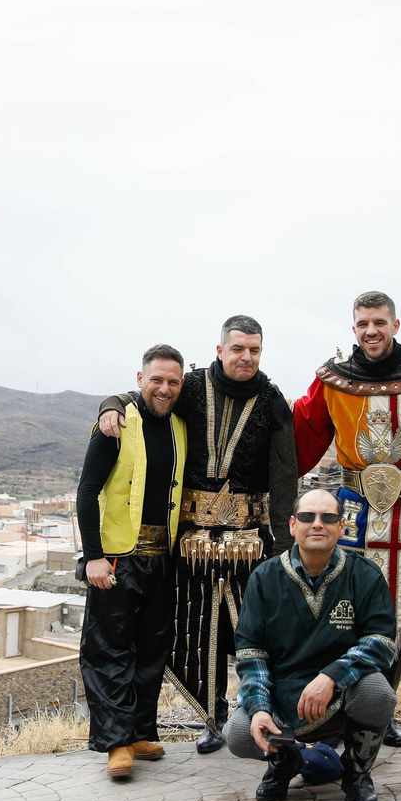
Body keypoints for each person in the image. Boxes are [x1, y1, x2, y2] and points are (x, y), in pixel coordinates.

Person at [95, 315, 297, 754]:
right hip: (191, 542)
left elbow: (285, 476)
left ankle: (258, 712)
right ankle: (212, 717)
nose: (246, 357)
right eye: (238, 349)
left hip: (252, 540)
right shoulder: (190, 387)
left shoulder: (272, 399)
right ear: (220, 350)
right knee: (200, 630)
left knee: (255, 629)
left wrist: (284, 545)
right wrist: (111, 404)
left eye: (254, 350)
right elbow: (150, 395)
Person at [293, 291, 401, 747]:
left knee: (397, 614)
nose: (372, 331)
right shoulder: (335, 379)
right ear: (354, 329)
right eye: (364, 323)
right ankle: (340, 710)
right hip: (352, 512)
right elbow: (302, 431)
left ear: (395, 325)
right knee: (345, 609)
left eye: (380, 322)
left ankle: (382, 708)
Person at [226, 488, 399, 801]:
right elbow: (251, 654)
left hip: (343, 692)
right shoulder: (264, 578)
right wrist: (260, 708)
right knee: (237, 734)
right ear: (293, 525)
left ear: (342, 527)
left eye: (328, 517)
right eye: (307, 516)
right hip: (284, 693)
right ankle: (286, 760)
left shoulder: (364, 574)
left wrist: (332, 676)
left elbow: (381, 643)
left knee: (378, 694)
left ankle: (356, 772)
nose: (317, 524)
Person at [76, 344, 189, 779]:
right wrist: (93, 557)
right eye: (156, 379)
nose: (164, 388)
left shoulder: (180, 425)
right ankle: (116, 743)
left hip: (162, 559)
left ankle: (140, 732)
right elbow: (88, 490)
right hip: (118, 560)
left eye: (172, 382)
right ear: (140, 379)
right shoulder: (117, 423)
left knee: (151, 650)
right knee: (109, 651)